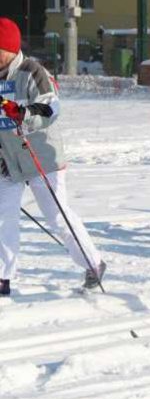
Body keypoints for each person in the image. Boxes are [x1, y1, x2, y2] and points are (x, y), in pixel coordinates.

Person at [0, 17, 106, 295]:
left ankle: (92, 263)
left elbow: (51, 108)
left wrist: (24, 113)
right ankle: (2, 276)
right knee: (3, 217)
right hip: (7, 159)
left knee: (56, 216)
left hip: (40, 155)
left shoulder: (31, 71)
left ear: (9, 49)